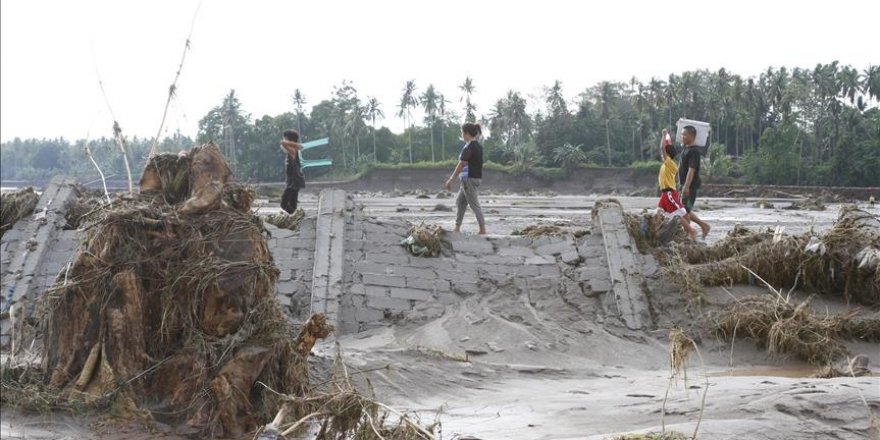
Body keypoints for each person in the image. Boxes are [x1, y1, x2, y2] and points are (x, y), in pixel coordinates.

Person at [445, 123, 486, 235]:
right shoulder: (478, 146)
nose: (462, 135)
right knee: (460, 202)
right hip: (473, 178)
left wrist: (451, 179)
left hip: (469, 179)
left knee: (474, 204)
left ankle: (482, 229)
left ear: (467, 133)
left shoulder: (468, 147)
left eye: (462, 133)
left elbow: (461, 164)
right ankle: (457, 227)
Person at [656, 128, 697, 241]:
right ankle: (658, 233)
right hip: (664, 194)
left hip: (669, 193)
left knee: (678, 215)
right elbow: (662, 150)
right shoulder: (667, 163)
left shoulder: (669, 163)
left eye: (663, 153)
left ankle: (691, 231)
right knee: (659, 213)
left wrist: (664, 135)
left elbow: (661, 148)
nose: (661, 154)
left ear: (667, 154)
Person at [679, 125, 711, 239]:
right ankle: (703, 226)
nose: (682, 136)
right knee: (684, 209)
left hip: (690, 186)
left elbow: (691, 170)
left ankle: (689, 233)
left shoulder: (694, 152)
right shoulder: (685, 148)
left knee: (683, 211)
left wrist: (686, 187)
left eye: (685, 134)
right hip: (683, 185)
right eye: (682, 134)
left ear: (692, 136)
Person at [279, 129, 305, 214]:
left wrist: (287, 142)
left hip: (292, 183)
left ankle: (296, 216)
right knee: (292, 205)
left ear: (290, 141)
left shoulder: (292, 151)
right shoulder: (292, 151)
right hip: (293, 182)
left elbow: (282, 143)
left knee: (284, 204)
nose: (283, 140)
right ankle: (295, 217)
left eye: (285, 138)